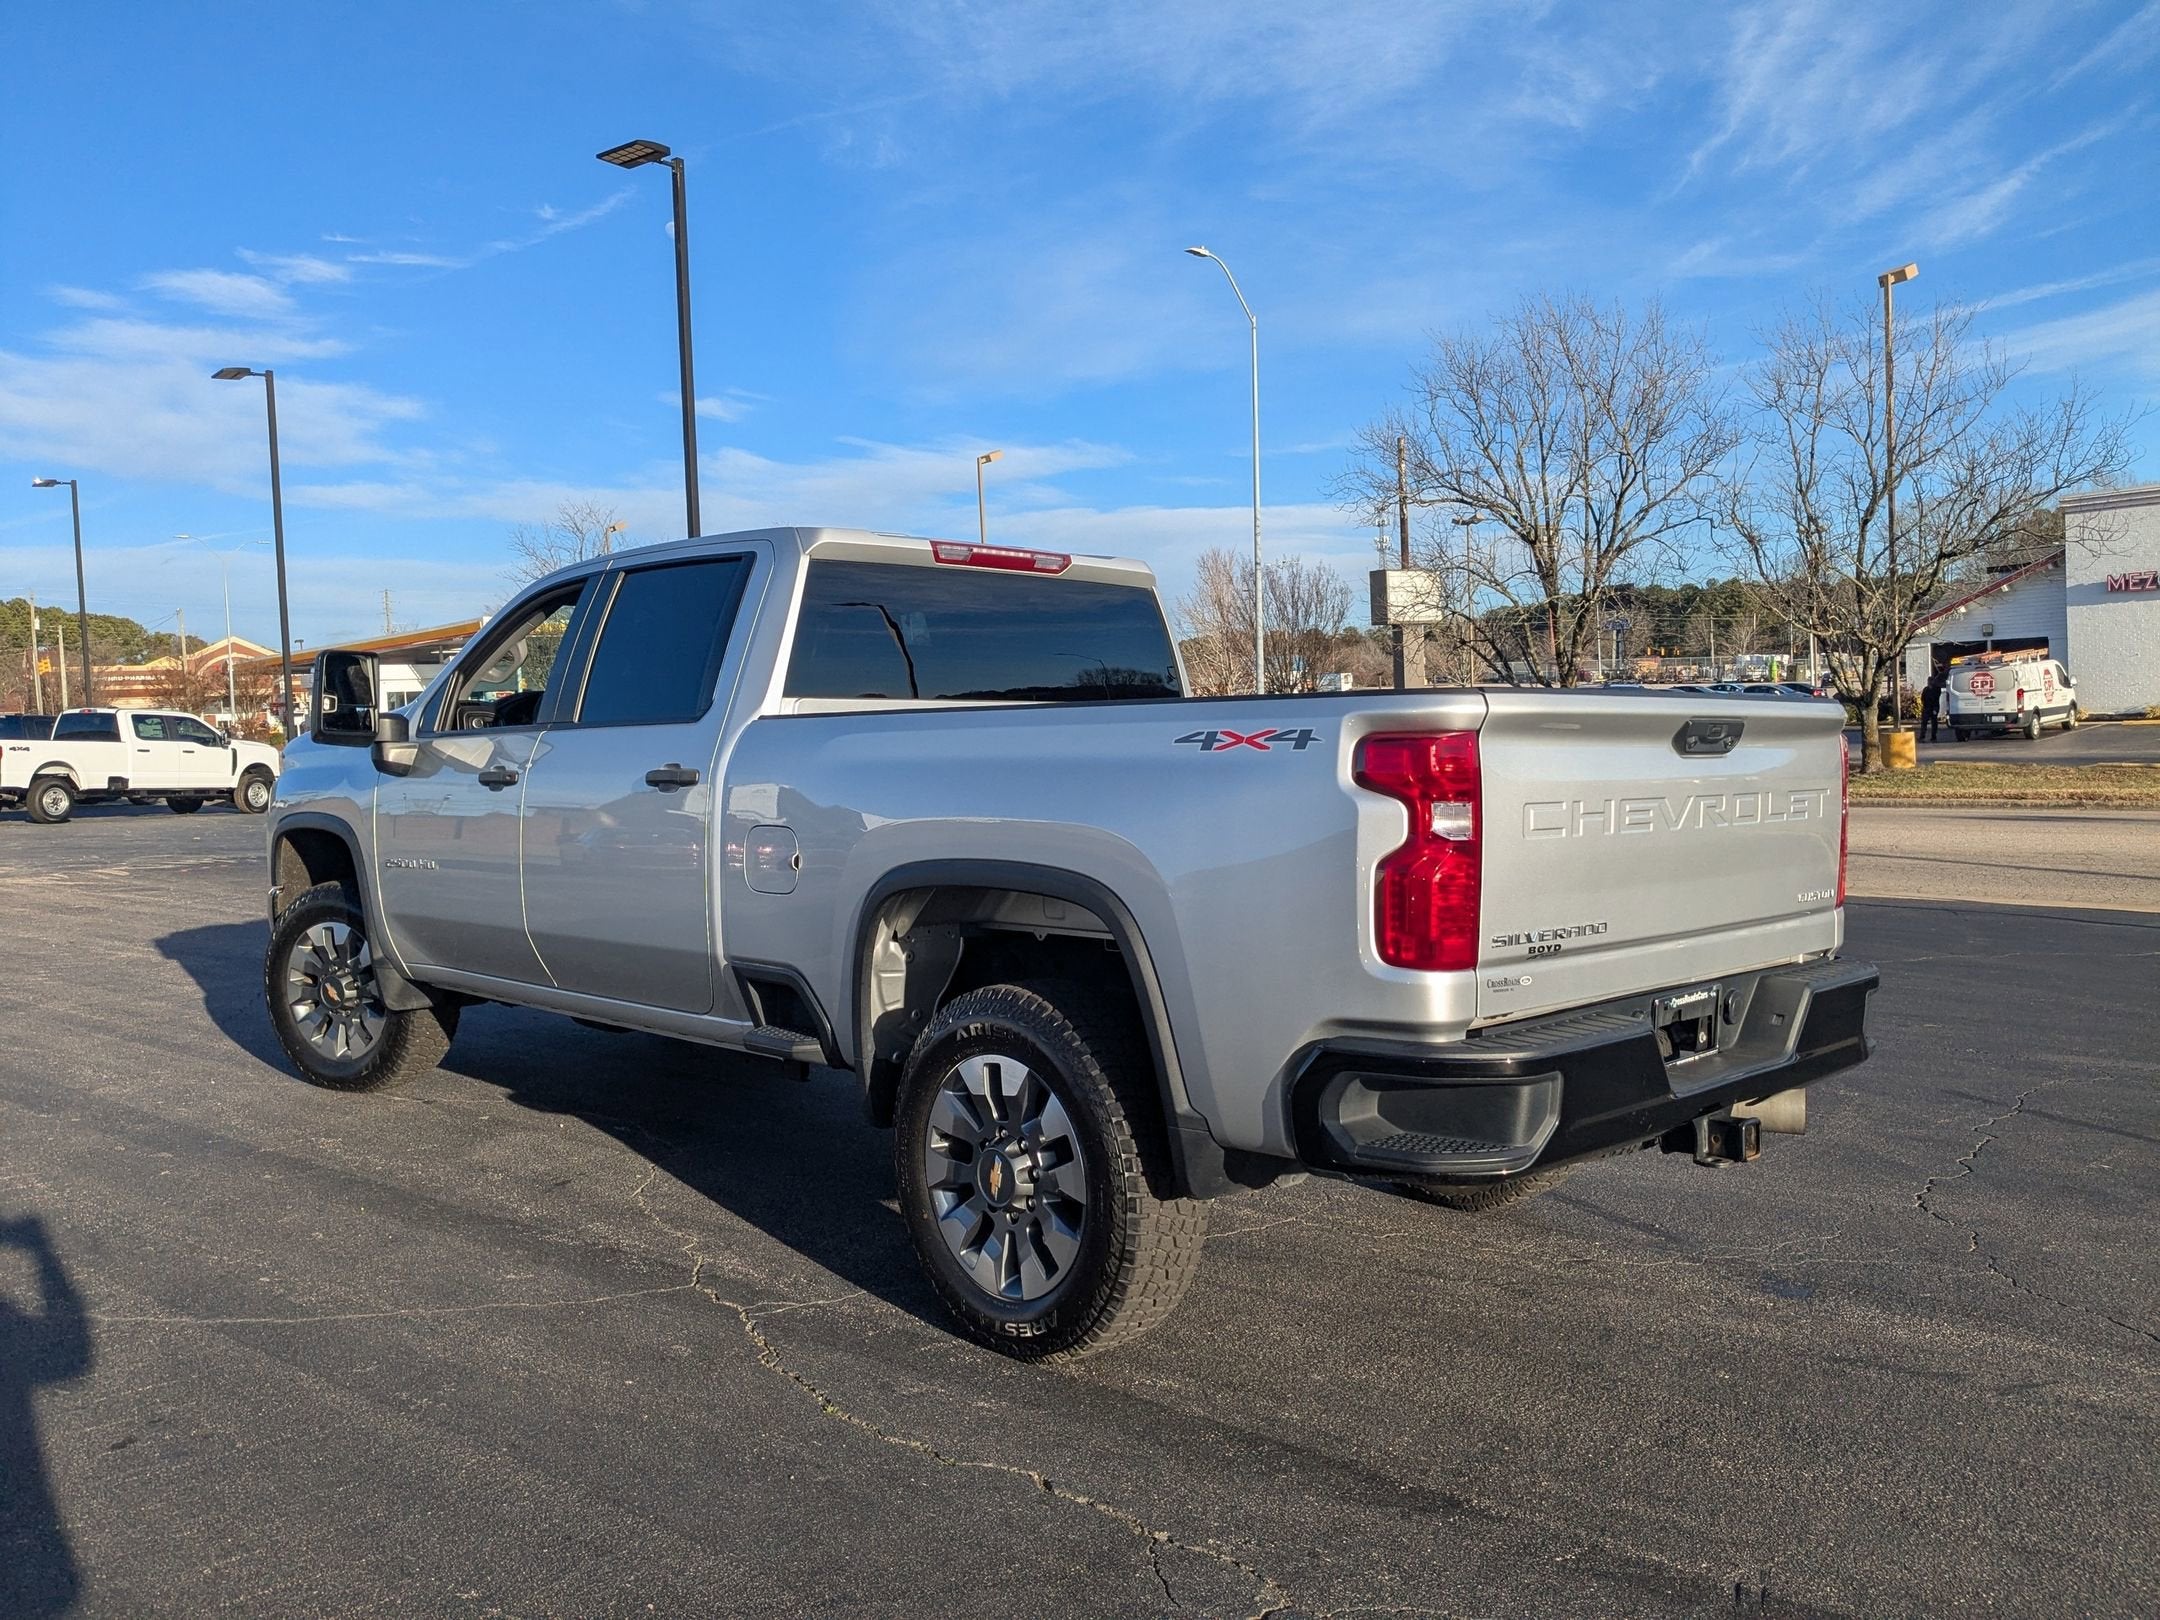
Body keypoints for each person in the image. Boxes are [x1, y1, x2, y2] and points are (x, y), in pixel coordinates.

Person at [1919, 671, 1944, 742]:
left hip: (1934, 707)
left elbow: (1936, 698)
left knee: (1934, 723)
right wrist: (1924, 705)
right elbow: (1922, 698)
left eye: (1930, 681)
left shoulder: (1936, 689)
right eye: (1928, 681)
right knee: (1924, 723)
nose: (1929, 682)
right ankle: (1922, 736)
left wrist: (1935, 709)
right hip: (1926, 707)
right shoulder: (1926, 689)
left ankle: (1933, 737)